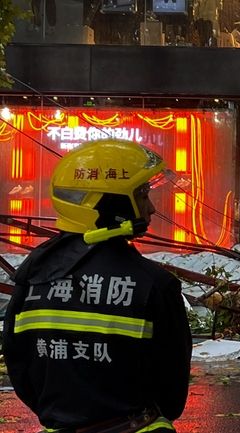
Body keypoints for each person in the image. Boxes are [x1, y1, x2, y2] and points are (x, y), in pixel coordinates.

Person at [3, 139, 192, 433]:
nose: (152, 208)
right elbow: (172, 396)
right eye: (142, 195)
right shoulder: (155, 285)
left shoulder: (31, 278)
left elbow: (21, 369)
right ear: (110, 202)